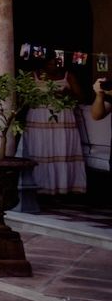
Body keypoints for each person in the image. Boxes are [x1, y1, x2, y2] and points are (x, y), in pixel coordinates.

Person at [21, 54, 87, 196]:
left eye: (56, 63)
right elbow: (23, 98)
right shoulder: (33, 76)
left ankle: (62, 187)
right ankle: (39, 187)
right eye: (50, 64)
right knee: (40, 149)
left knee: (61, 149)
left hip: (63, 120)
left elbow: (81, 98)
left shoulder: (68, 76)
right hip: (39, 119)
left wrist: (67, 95)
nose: (54, 67)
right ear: (43, 64)